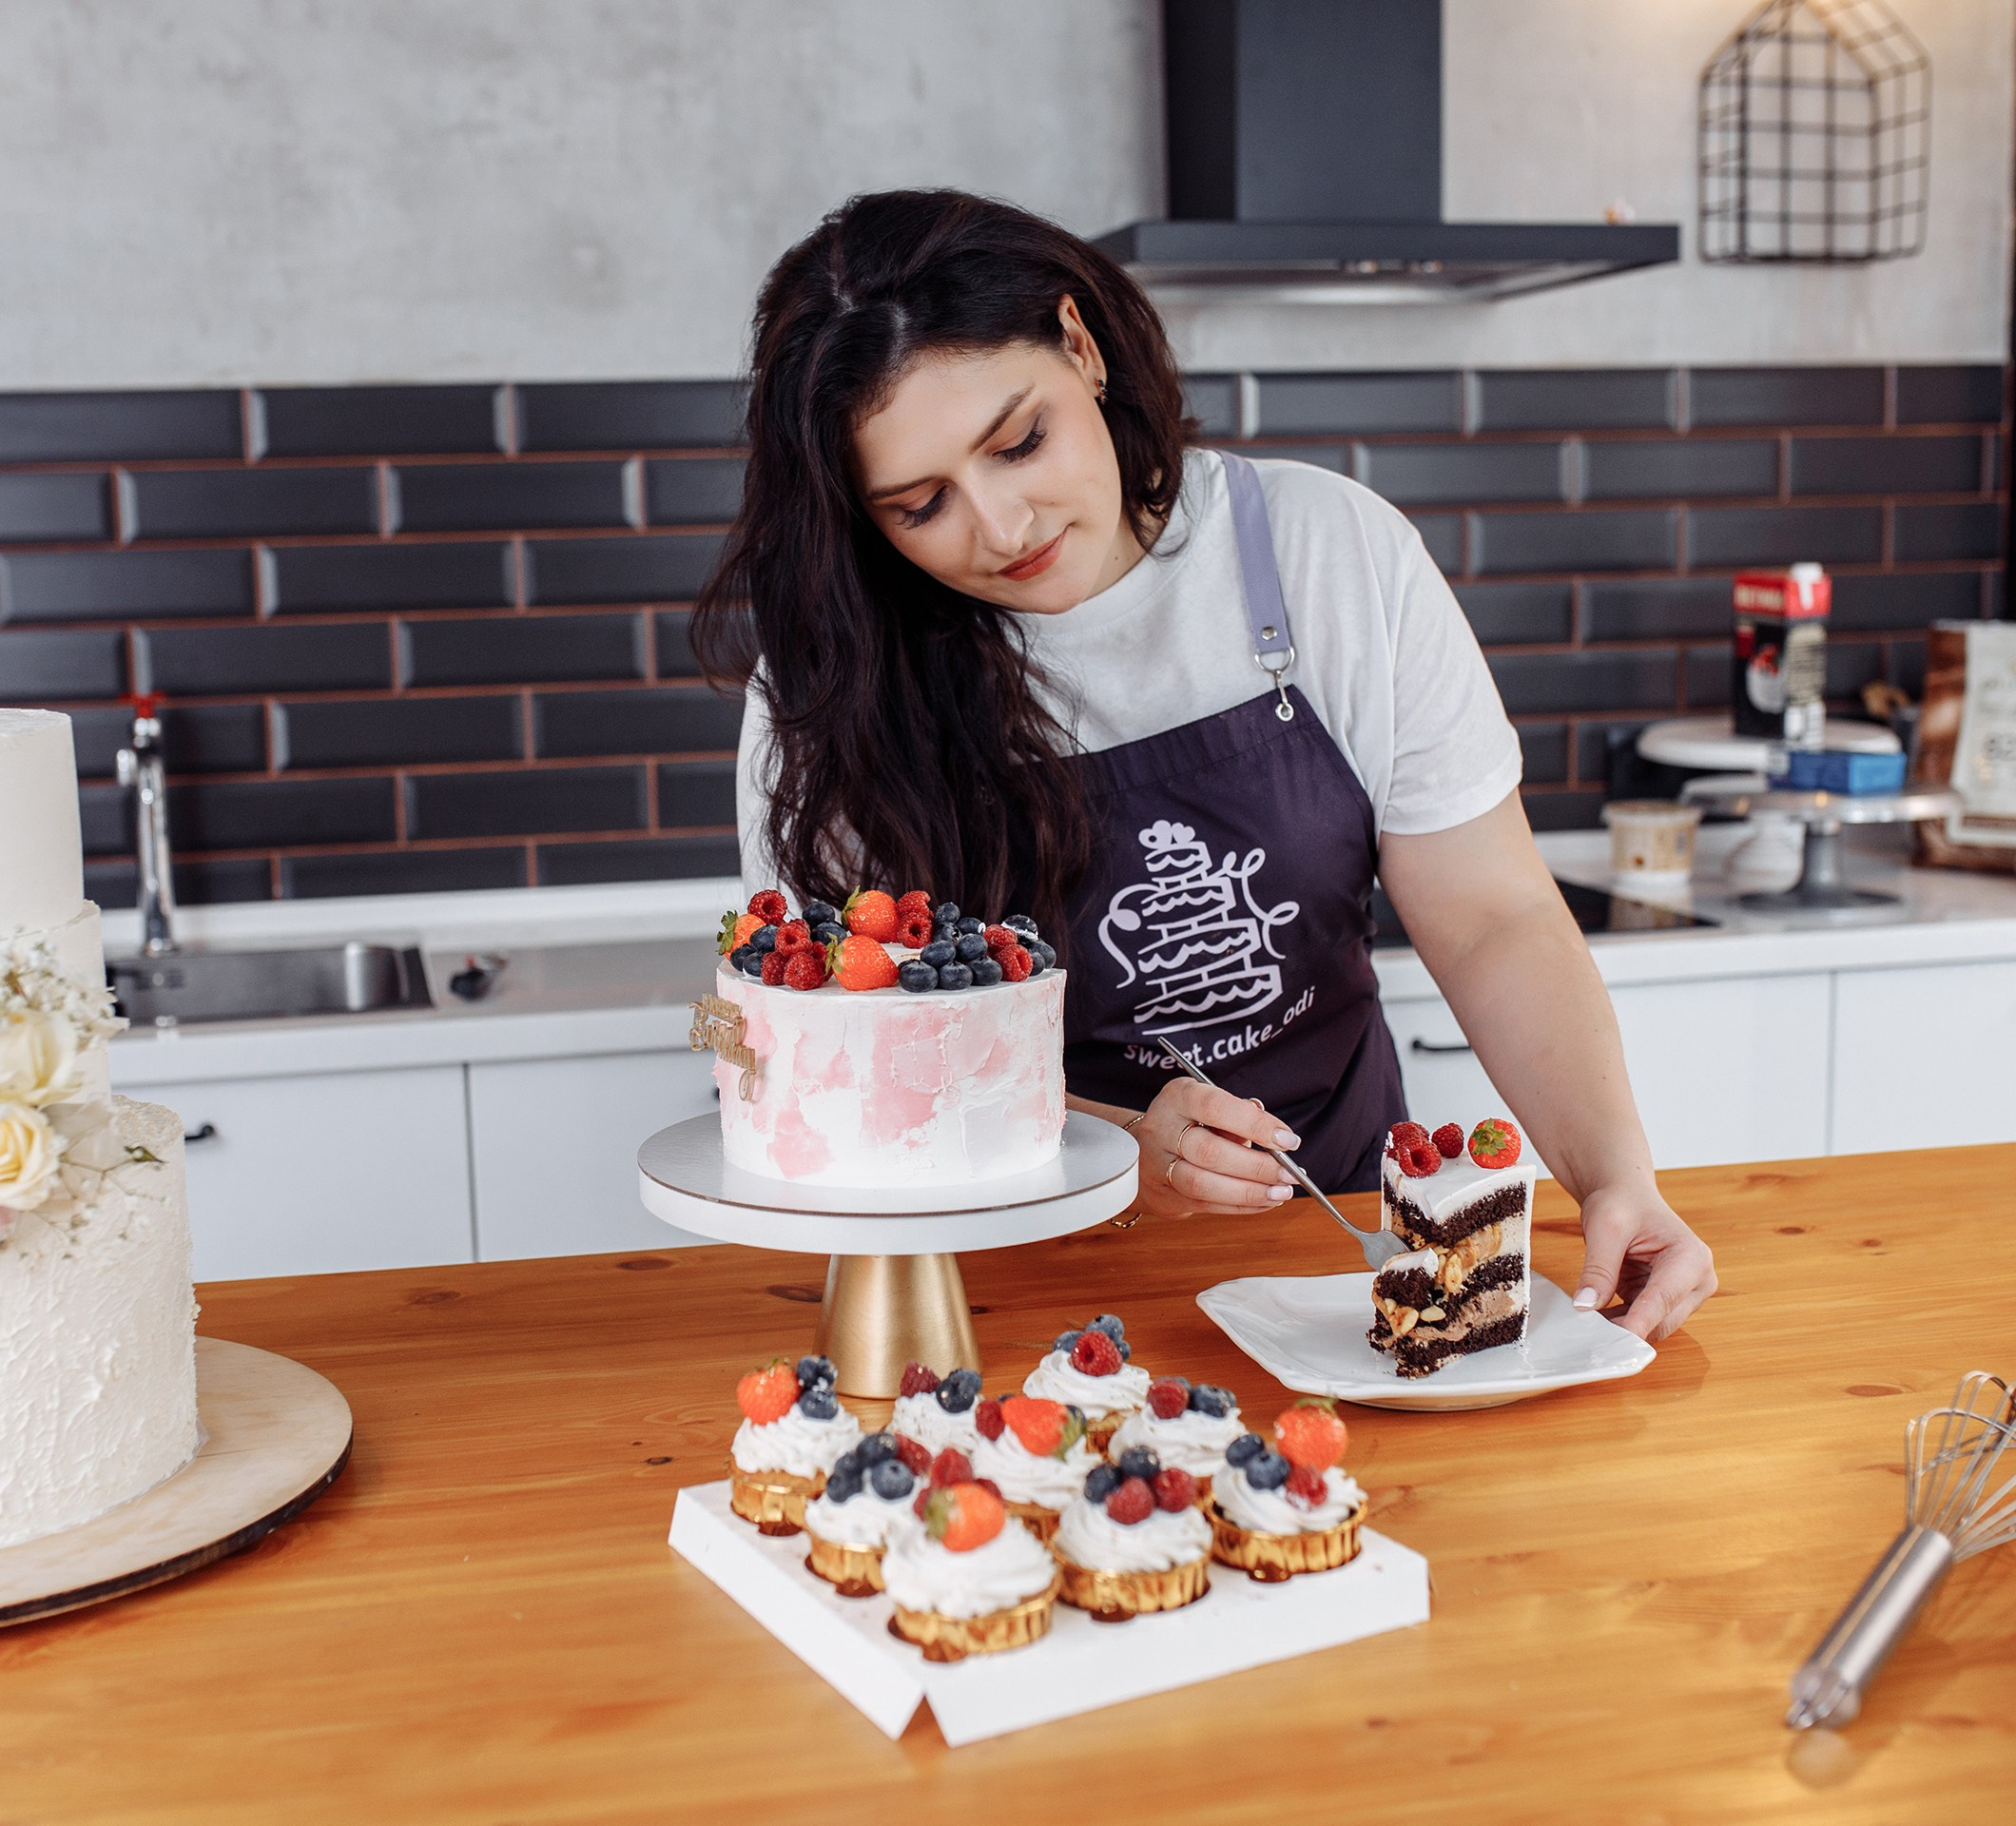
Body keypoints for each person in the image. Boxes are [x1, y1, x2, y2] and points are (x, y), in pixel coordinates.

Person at [690, 190, 1714, 1341]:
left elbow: (1489, 916)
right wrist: (1119, 1145)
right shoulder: (833, 685)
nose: (998, 524)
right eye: (919, 505)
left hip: (1344, 1249)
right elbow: (832, 1061)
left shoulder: (1323, 552)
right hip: (998, 1281)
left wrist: (1612, 1172)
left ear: (1080, 346)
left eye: (1018, 440)